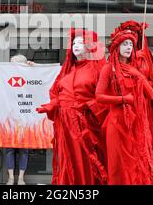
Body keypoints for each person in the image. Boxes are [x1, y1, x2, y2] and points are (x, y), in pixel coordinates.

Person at [37, 29, 107, 185]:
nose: (76, 46)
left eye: (81, 43)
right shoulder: (67, 70)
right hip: (65, 124)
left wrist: (87, 107)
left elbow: (104, 95)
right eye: (74, 43)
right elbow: (58, 92)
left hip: (85, 125)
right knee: (67, 157)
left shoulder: (97, 69)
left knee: (84, 156)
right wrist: (51, 106)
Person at [95, 23, 153, 184]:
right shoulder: (108, 69)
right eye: (125, 44)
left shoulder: (134, 69)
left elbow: (150, 94)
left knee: (135, 164)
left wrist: (139, 76)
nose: (129, 47)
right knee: (117, 166)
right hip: (116, 123)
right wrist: (122, 99)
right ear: (117, 46)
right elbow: (99, 96)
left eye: (131, 44)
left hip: (136, 124)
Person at [5, 54, 33, 185]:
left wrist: (34, 68)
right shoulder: (5, 76)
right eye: (11, 63)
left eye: (15, 63)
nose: (13, 66)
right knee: (9, 149)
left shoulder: (30, 76)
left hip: (25, 117)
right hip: (10, 118)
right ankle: (11, 177)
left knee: (24, 149)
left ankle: (21, 177)